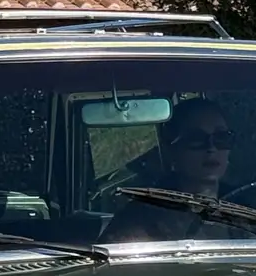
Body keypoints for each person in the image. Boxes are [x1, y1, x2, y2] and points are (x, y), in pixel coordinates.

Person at [100, 98, 242, 244]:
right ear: (171, 150)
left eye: (221, 137)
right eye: (195, 138)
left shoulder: (246, 206)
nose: (211, 148)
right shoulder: (141, 217)